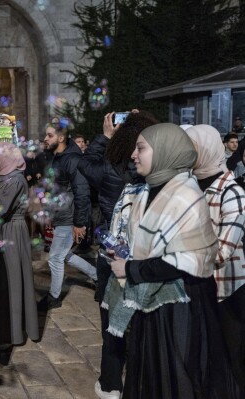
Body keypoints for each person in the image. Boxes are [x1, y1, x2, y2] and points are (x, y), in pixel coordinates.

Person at [104, 123, 241, 399]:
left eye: (141, 148)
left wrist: (130, 268)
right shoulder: (149, 190)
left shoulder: (185, 196)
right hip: (152, 303)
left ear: (165, 151)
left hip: (180, 308)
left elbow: (187, 260)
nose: (133, 154)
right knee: (150, 375)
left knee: (176, 378)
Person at [78, 111, 156, 399]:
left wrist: (105, 136)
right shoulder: (156, 175)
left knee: (111, 320)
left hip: (111, 253)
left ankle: (111, 382)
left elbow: (84, 164)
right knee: (140, 321)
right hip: (142, 257)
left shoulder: (110, 168)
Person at [185, 124, 245, 384]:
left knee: (233, 362)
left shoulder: (232, 193)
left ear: (207, 150)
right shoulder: (192, 187)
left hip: (228, 294)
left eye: (192, 149)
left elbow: (220, 253)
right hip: (199, 290)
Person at [37, 125, 97, 311]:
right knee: (64, 255)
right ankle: (98, 277)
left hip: (69, 217)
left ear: (61, 138)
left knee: (55, 257)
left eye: (49, 135)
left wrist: (79, 223)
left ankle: (54, 297)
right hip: (61, 215)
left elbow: (82, 192)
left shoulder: (73, 159)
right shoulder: (58, 157)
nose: (45, 138)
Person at [0, 142, 39, 346]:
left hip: (12, 232)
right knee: (6, 279)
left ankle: (14, 332)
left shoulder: (15, 180)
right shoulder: (2, 177)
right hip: (4, 230)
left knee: (14, 279)